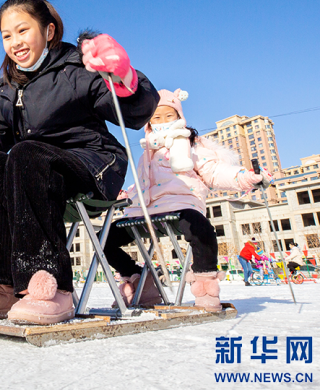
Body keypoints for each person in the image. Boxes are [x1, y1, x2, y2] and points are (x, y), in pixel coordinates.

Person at [0, 0, 160, 324]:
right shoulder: (11, 88)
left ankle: (50, 286)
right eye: (7, 35)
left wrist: (124, 78)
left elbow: (134, 112)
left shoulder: (78, 68)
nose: (15, 42)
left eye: (23, 30)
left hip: (94, 163)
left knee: (26, 154)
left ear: (50, 31)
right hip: (35, 172)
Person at [101, 89, 272, 311]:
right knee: (104, 238)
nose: (162, 122)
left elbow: (214, 171)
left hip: (181, 204)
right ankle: (140, 282)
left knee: (201, 228)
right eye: (157, 118)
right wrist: (126, 195)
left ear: (179, 117)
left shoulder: (191, 144)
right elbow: (143, 183)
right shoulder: (148, 150)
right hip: (144, 211)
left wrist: (246, 177)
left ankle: (205, 284)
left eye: (168, 116)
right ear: (149, 122)